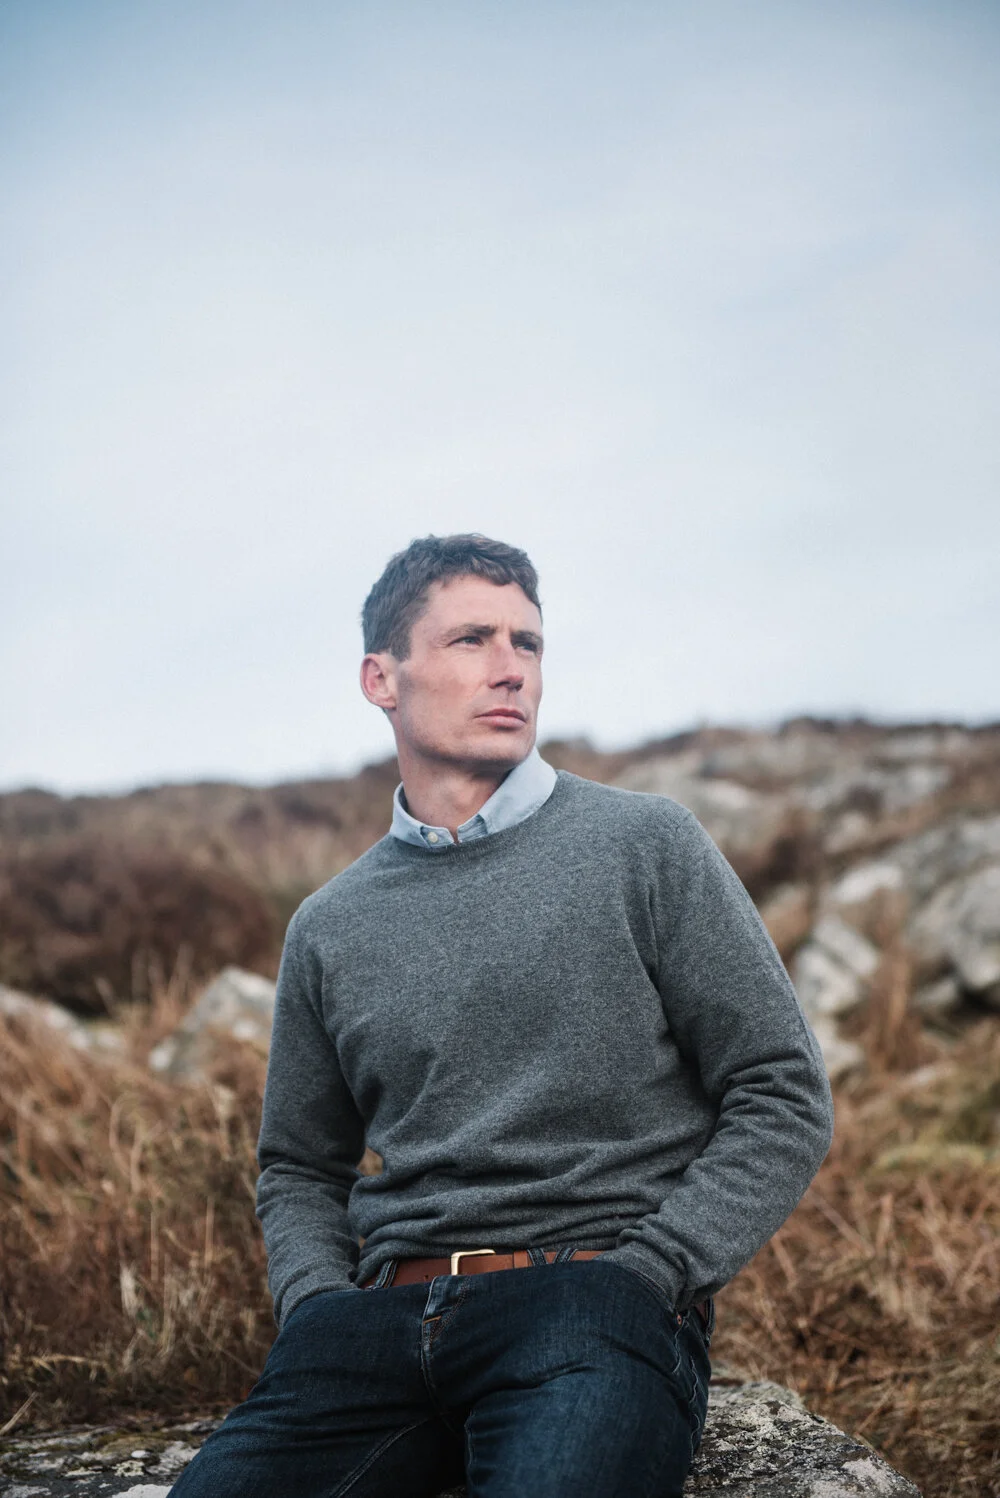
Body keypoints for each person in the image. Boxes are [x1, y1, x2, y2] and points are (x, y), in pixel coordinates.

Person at [170, 533, 834, 1498]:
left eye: (527, 643)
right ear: (380, 678)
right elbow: (299, 1163)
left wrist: (653, 1272)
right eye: (472, 640)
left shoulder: (645, 846)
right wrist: (315, 1304)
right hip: (370, 1331)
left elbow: (781, 1088)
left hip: (587, 1305)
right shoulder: (330, 924)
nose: (510, 670)